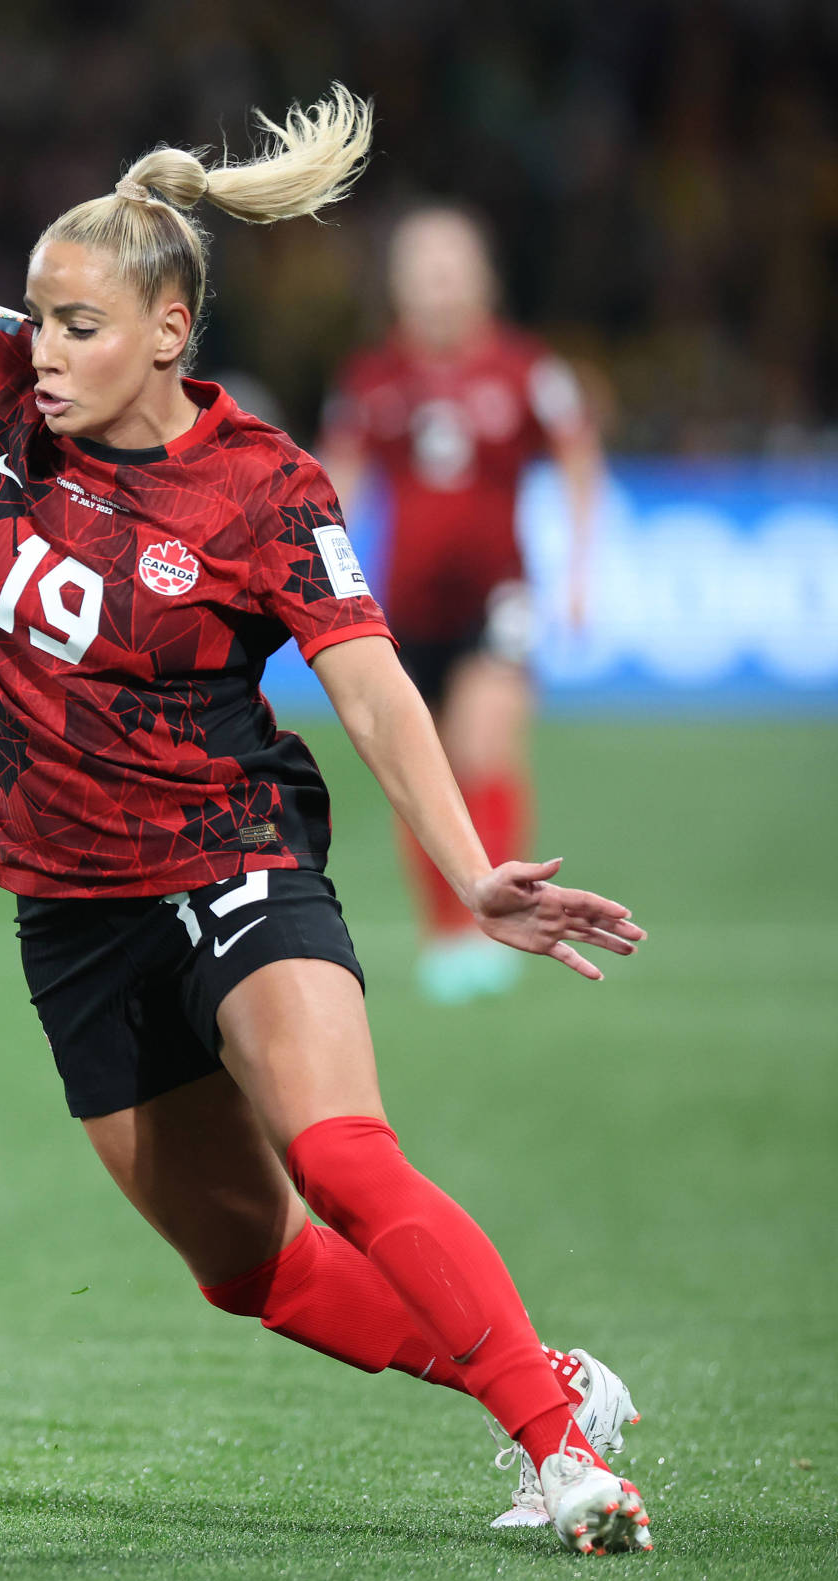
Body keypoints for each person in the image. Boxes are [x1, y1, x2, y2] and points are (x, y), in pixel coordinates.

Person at [0, 86, 654, 1555]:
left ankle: (565, 1456)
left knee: (342, 1158)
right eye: (39, 317)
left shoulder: (261, 488)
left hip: (229, 862)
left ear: (170, 333)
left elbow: (370, 693)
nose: (43, 349)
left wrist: (468, 870)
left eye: (81, 327)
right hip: (67, 909)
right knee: (251, 1269)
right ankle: (553, 1382)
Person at [320, 206, 605, 1004]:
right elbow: (332, 487)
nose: (438, 282)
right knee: (428, 768)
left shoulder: (525, 369)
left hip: (499, 596)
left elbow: (582, 462)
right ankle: (444, 930)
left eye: (451, 264)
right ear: (400, 285)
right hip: (405, 607)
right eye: (422, 266)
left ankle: (499, 919)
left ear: (482, 278)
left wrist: (582, 571)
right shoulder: (373, 379)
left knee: (486, 745)